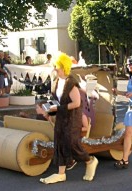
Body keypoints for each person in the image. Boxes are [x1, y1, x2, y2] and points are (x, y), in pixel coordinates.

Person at [39, 52, 98, 184]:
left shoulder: (71, 82)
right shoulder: (55, 82)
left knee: (72, 144)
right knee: (59, 143)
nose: (55, 68)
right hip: (61, 117)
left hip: (72, 118)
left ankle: (90, 161)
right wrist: (50, 111)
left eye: (57, 66)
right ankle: (61, 174)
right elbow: (57, 102)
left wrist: (58, 109)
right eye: (54, 66)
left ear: (63, 66)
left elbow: (76, 103)